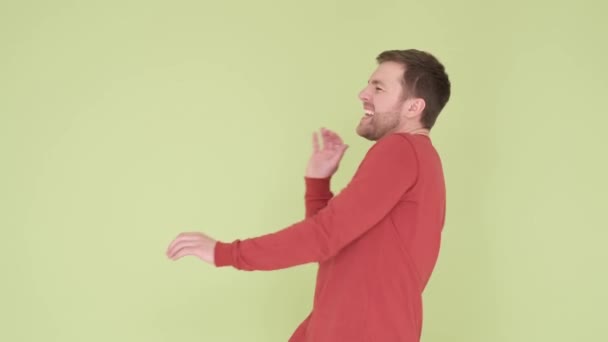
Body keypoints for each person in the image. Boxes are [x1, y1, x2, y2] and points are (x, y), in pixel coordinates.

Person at [166, 49, 451, 341]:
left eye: (378, 88)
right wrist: (318, 183)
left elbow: (324, 236)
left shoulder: (401, 149)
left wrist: (224, 253)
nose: (363, 94)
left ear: (413, 107)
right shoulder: (418, 158)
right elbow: (335, 245)